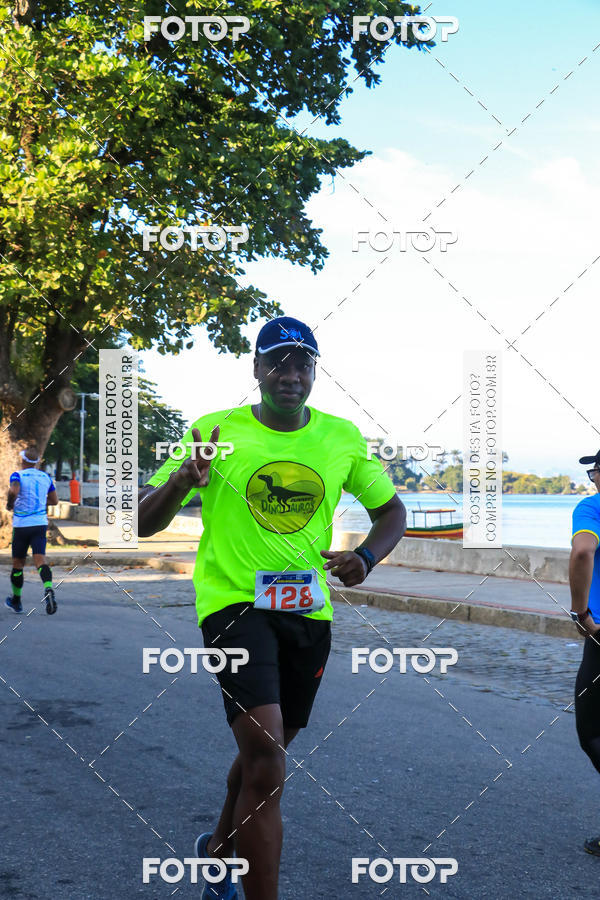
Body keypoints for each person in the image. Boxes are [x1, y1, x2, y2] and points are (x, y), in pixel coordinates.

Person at [138, 316, 406, 900]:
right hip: (234, 605)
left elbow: (393, 512)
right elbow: (141, 520)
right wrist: (185, 478)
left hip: (308, 611)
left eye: (303, 364)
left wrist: (367, 556)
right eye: (278, 363)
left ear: (314, 373)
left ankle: (215, 853)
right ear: (256, 369)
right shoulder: (213, 430)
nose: (291, 375)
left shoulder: (340, 437)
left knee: (267, 753)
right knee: (266, 758)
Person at [6, 447, 58, 615]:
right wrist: (38, 504)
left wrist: (10, 503)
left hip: (21, 525)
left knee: (18, 564)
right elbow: (54, 501)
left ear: (22, 461)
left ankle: (16, 600)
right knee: (40, 560)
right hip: (39, 524)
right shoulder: (46, 477)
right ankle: (48, 588)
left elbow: (14, 490)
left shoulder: (17, 476)